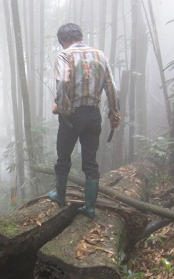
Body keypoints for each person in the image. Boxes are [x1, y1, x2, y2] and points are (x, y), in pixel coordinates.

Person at [48, 23, 121, 218]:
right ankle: (89, 207)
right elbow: (111, 87)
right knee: (90, 162)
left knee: (63, 157)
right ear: (79, 36)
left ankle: (60, 196)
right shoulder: (100, 55)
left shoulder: (64, 55)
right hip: (92, 115)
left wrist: (62, 107)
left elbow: (63, 80)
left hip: (71, 116)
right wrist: (114, 114)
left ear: (63, 41)